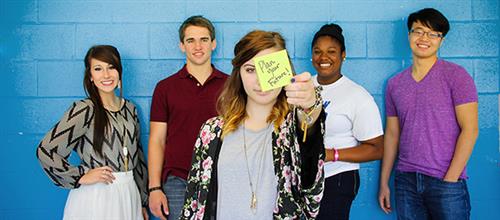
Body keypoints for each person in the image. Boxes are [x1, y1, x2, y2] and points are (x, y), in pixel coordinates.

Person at [180, 30, 325, 219]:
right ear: (238, 74)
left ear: (285, 71)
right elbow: (193, 203)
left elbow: (312, 188)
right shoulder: (211, 131)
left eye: (269, 68)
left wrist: (311, 107)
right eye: (250, 69)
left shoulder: (292, 130)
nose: (260, 81)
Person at [378, 8, 478, 220]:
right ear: (409, 35)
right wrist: (384, 181)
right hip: (406, 181)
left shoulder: (457, 76)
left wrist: (450, 179)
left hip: (446, 181)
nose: (424, 38)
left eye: (433, 34)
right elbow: (392, 135)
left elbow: (470, 130)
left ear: (441, 41)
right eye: (419, 31)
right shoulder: (394, 84)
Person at [36, 45, 149, 220]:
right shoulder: (84, 109)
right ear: (90, 76)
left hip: (129, 193)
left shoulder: (130, 109)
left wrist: (142, 200)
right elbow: (46, 151)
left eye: (111, 67)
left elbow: (138, 156)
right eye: (98, 69)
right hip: (97, 196)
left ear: (119, 72)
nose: (106, 75)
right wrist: (80, 175)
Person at [148, 15, 228, 220]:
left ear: (214, 44)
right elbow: (156, 140)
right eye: (191, 40)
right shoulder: (165, 88)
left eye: (204, 39)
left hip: (221, 179)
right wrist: (154, 187)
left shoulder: (231, 86)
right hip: (177, 182)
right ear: (182, 46)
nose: (198, 46)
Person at [311, 24, 384, 220]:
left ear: (343, 55)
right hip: (305, 180)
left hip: (337, 178)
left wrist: (331, 155)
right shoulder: (303, 86)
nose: (323, 58)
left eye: (331, 52)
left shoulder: (357, 96)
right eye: (317, 52)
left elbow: (377, 148)